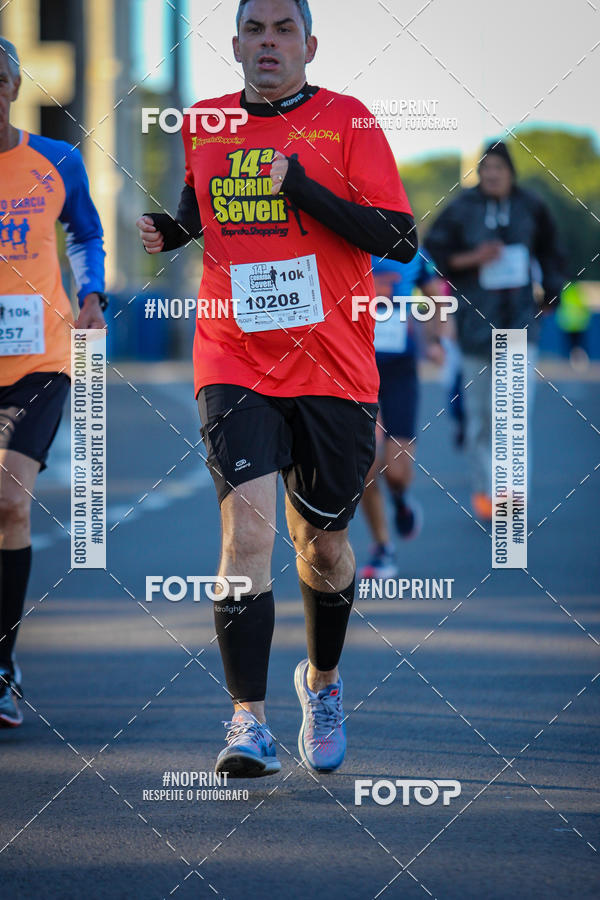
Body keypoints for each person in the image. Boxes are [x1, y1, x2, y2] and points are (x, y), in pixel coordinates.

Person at [137, 0, 416, 776]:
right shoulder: (204, 123)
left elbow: (398, 237)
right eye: (254, 30)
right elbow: (207, 211)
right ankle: (246, 721)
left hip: (334, 364)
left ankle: (322, 685)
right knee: (247, 535)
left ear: (309, 44)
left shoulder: (348, 121)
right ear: (234, 45)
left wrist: (306, 191)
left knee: (323, 547)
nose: (268, 42)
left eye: (282, 29)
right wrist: (174, 229)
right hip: (233, 357)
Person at [0, 38, 106, 727]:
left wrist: (93, 292)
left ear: (10, 86)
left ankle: (1, 665)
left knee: (8, 500)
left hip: (38, 358)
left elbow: (86, 232)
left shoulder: (56, 160)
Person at [426, 140, 565, 520]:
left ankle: (511, 500)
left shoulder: (532, 207)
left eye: (498, 169)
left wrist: (552, 294)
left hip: (520, 326)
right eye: (485, 169)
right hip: (474, 330)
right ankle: (484, 489)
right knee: (480, 419)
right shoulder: (460, 209)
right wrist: (474, 257)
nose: (492, 175)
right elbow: (431, 255)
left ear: (511, 172)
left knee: (513, 416)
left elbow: (553, 253)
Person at [359, 252, 445, 579]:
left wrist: (435, 340)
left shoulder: (410, 251)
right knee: (363, 461)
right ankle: (383, 547)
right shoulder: (342, 236)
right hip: (355, 368)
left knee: (396, 469)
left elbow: (436, 293)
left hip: (399, 370)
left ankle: (401, 497)